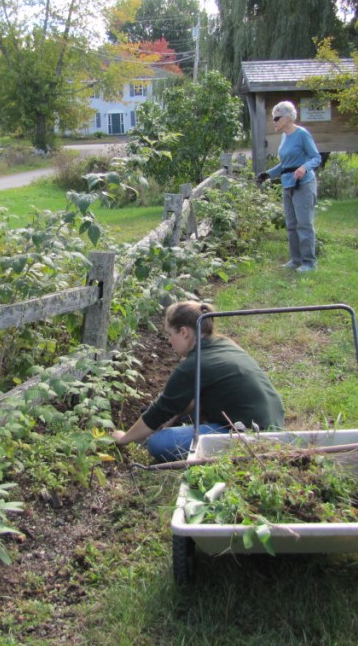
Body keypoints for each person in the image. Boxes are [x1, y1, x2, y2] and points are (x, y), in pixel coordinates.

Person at [111, 301, 285, 462]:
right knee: (172, 415)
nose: (169, 341)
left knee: (158, 442)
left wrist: (124, 438)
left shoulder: (194, 364)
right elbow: (190, 399)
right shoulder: (225, 344)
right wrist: (172, 417)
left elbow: (160, 410)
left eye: (170, 334)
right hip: (273, 422)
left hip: (251, 435)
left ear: (184, 332)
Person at [257, 101, 322, 272]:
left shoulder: (302, 134)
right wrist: (268, 174)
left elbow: (316, 157)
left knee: (304, 223)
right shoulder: (285, 137)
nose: (274, 122)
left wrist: (304, 167)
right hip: (288, 184)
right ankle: (296, 260)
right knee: (291, 224)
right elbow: (285, 164)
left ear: (287, 118)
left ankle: (309, 262)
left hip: (304, 184)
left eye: (276, 118)